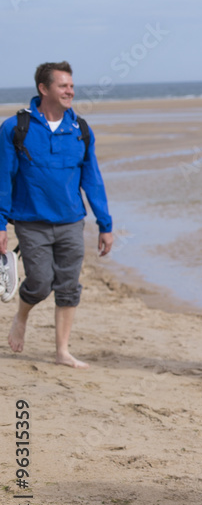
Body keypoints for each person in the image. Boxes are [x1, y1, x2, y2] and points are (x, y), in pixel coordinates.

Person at [1, 61, 114, 368]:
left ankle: (62, 351)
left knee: (68, 286)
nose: (70, 91)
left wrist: (105, 224)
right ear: (44, 88)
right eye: (63, 86)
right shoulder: (15, 128)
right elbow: (3, 178)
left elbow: (92, 179)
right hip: (31, 222)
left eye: (71, 86)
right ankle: (21, 316)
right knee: (39, 282)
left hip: (71, 222)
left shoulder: (81, 129)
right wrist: (0, 224)